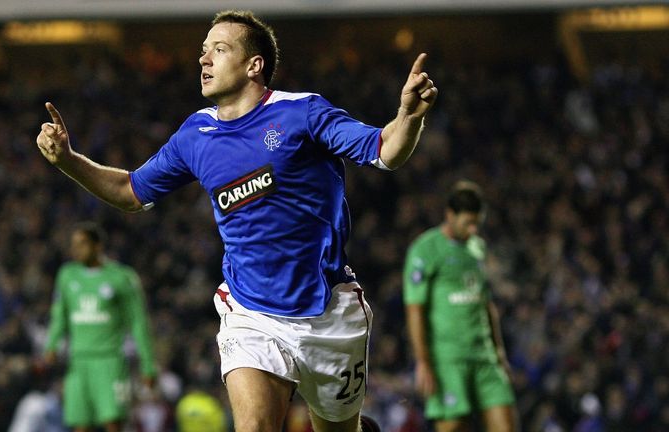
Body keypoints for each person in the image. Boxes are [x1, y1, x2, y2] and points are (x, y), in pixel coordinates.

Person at [35, 9, 437, 432]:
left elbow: (385, 150)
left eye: (219, 50)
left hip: (329, 315)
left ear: (254, 65)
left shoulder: (302, 113)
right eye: (203, 52)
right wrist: (68, 160)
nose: (204, 60)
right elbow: (129, 192)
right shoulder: (195, 136)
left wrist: (409, 117)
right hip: (250, 312)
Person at [402, 181, 518, 432]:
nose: (473, 229)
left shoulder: (477, 247)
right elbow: (415, 309)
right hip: (448, 360)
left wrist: (499, 354)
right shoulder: (425, 249)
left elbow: (486, 303)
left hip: (485, 358)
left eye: (477, 223)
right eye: (468, 223)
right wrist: (423, 361)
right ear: (450, 215)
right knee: (454, 426)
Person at [44, 222, 157, 432]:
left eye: (83, 244)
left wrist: (148, 365)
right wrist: (51, 345)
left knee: (113, 423)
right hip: (78, 362)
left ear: (98, 246)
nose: (76, 249)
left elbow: (138, 322)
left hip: (110, 361)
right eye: (74, 244)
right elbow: (59, 315)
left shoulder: (121, 277)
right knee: (80, 424)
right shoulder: (67, 275)